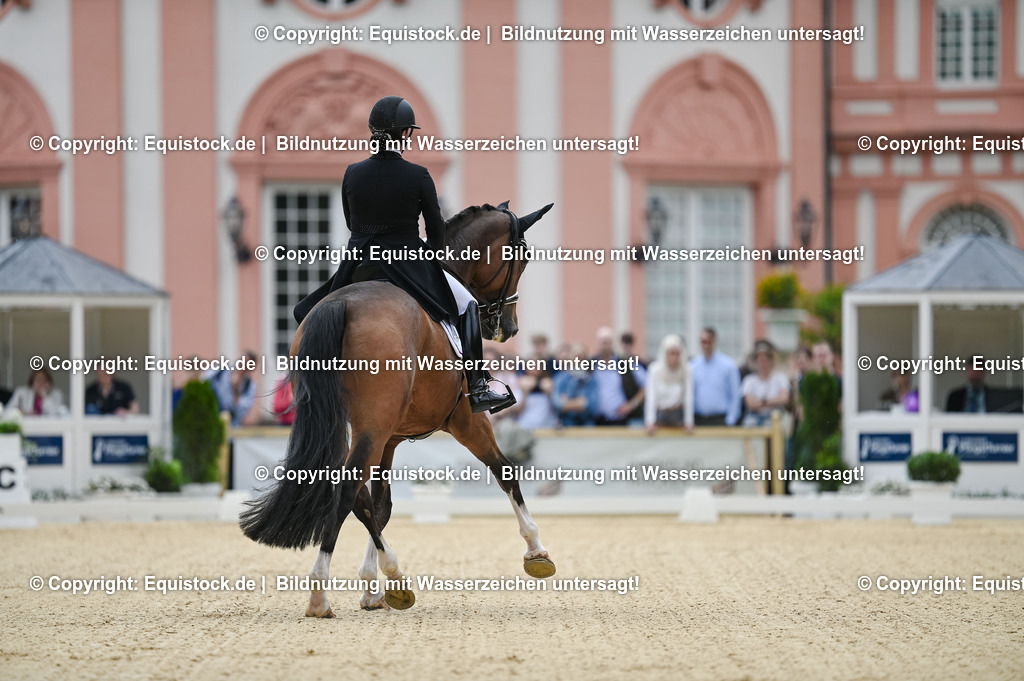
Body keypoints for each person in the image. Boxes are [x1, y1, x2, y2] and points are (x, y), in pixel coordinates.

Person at [292, 95, 513, 414]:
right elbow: (436, 230)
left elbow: (350, 223)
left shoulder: (352, 173)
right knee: (467, 304)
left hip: (360, 265)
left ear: (372, 130)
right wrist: (431, 260)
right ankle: (478, 387)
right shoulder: (418, 175)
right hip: (408, 263)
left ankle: (303, 380)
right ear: (405, 134)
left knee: (310, 312)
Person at [591, 326, 646, 426]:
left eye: (607, 342)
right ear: (598, 344)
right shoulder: (591, 365)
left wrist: (631, 405)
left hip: (620, 420)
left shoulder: (626, 363)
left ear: (612, 343)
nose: (605, 345)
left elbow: (646, 385)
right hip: (597, 420)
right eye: (602, 342)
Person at [689, 327, 741, 426]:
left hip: (720, 420)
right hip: (698, 420)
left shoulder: (728, 365)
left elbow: (735, 395)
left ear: (714, 341)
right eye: (703, 342)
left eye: (708, 341)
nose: (706, 345)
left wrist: (731, 420)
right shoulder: (693, 366)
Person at [644, 334, 694, 434]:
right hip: (660, 417)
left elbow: (689, 396)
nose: (675, 357)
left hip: (678, 418)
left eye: (677, 353)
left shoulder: (687, 370)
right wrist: (650, 422)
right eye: (672, 353)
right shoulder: (654, 370)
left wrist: (689, 422)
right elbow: (651, 397)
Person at [740, 340, 790, 427]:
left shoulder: (781, 378)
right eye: (759, 358)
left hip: (776, 420)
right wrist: (773, 401)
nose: (762, 361)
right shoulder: (749, 380)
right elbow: (750, 403)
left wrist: (761, 402)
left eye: (766, 357)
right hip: (753, 421)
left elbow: (784, 398)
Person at [205, 352, 258, 427]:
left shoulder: (249, 386)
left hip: (232, 427)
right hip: (211, 420)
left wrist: (236, 389)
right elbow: (203, 380)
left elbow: (241, 413)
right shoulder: (221, 370)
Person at [551, 343, 598, 426]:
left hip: (587, 425)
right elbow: (557, 404)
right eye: (575, 353)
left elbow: (592, 406)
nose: (578, 357)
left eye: (582, 354)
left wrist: (567, 402)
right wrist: (580, 402)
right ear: (569, 356)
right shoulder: (560, 378)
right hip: (566, 425)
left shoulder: (591, 380)